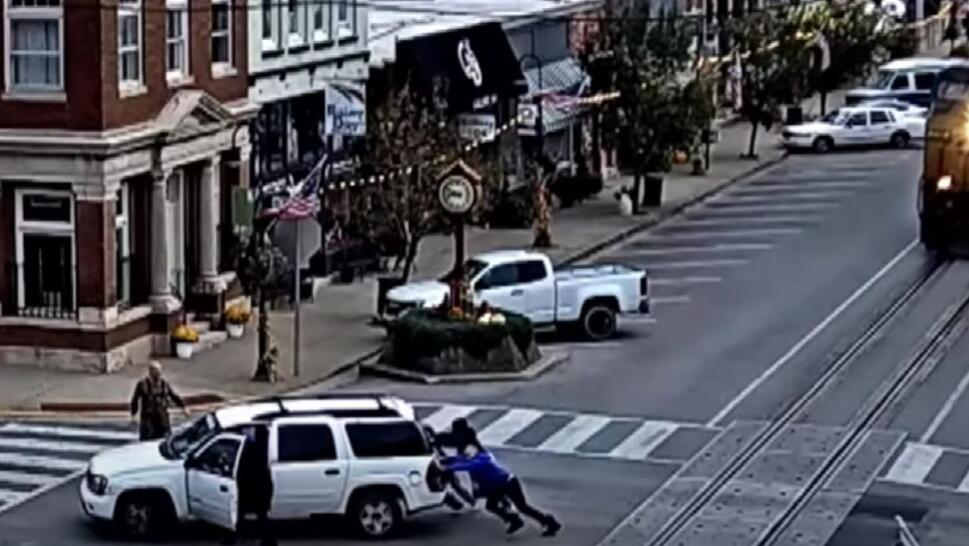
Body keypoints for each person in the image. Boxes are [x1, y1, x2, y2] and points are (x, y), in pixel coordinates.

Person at [441, 444, 561, 537]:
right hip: (498, 485)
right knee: (491, 506)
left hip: (508, 483)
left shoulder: (480, 462)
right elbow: (461, 459)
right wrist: (446, 460)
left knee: (523, 507)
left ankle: (550, 523)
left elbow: (464, 466)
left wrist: (446, 467)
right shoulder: (480, 456)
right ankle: (513, 520)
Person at [232, 426, 276, 546]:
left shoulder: (256, 447)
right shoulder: (257, 449)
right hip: (255, 486)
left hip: (257, 487)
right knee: (258, 517)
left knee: (257, 517)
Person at [129, 361, 188, 441]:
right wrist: (133, 415)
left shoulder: (164, 384)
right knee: (147, 442)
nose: (159, 373)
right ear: (151, 372)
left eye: (159, 370)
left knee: (165, 439)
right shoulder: (142, 384)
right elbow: (135, 400)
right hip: (148, 420)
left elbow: (173, 396)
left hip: (162, 418)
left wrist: (183, 407)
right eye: (156, 371)